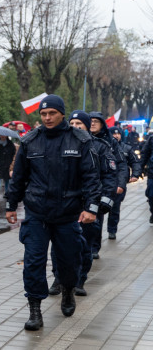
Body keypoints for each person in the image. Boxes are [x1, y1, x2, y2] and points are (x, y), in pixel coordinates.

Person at [5, 95, 101, 330]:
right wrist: (10, 205)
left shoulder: (79, 139)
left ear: (62, 114)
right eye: (43, 114)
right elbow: (18, 177)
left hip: (68, 214)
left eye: (52, 114)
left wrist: (91, 208)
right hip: (37, 213)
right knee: (33, 262)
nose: (47, 118)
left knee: (69, 261)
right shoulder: (30, 141)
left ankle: (68, 290)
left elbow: (91, 177)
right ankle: (35, 309)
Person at [49, 111, 116, 298]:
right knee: (59, 245)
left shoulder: (100, 147)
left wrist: (103, 202)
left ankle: (79, 280)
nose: (76, 126)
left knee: (84, 245)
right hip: (65, 205)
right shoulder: (61, 142)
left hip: (89, 205)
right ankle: (58, 279)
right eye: (73, 122)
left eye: (80, 123)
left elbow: (109, 176)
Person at [87, 113, 126, 259]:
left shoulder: (110, 142)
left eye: (96, 121)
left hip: (102, 187)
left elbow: (121, 163)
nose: (92, 124)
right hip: (82, 187)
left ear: (102, 124)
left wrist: (121, 183)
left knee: (96, 219)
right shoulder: (79, 138)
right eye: (90, 121)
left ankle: (93, 248)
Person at [107, 126, 140, 239]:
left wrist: (135, 174)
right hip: (104, 182)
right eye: (113, 134)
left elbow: (135, 162)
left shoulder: (126, 148)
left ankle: (112, 230)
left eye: (118, 134)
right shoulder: (104, 145)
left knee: (114, 208)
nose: (116, 136)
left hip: (119, 183)